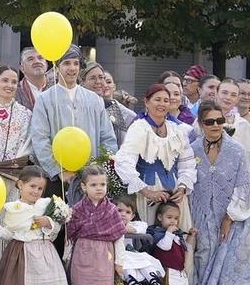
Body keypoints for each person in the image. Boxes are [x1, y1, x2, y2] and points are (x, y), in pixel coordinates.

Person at [185, 99, 250, 285]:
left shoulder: (236, 150)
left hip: (236, 219)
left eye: (220, 120)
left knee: (231, 271)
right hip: (204, 219)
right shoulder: (193, 149)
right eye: (210, 121)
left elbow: (246, 186)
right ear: (201, 123)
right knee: (204, 265)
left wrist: (229, 217)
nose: (216, 125)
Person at [113, 83, 197, 241]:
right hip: (149, 193)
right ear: (146, 102)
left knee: (179, 240)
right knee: (152, 238)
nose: (162, 104)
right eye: (157, 99)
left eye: (166, 100)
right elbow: (123, 162)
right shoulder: (139, 128)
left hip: (174, 195)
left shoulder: (177, 130)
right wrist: (146, 191)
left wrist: (183, 187)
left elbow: (187, 163)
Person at [29, 49, 118, 195]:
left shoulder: (94, 99)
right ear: (57, 67)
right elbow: (40, 138)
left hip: (92, 178)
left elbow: (107, 137)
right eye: (67, 63)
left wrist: (99, 169)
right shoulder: (45, 99)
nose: (72, 68)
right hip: (58, 180)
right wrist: (58, 170)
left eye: (76, 64)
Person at [63, 165, 121, 285]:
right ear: (83, 187)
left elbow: (119, 237)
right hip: (82, 253)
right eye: (94, 184)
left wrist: (120, 261)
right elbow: (70, 235)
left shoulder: (111, 210)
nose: (99, 188)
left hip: (104, 254)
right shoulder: (77, 210)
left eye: (102, 184)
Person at [84, 64, 136, 145]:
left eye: (101, 78)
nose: (98, 82)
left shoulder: (112, 107)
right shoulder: (78, 105)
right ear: (82, 82)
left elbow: (121, 140)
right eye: (92, 78)